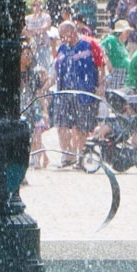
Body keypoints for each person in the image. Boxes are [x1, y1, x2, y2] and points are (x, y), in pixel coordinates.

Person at [52, 20, 102, 166]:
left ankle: (81, 156)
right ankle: (67, 155)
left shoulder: (89, 44)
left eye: (63, 35)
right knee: (62, 125)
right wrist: (46, 86)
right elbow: (56, 70)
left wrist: (101, 85)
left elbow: (100, 66)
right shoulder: (62, 48)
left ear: (71, 32)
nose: (61, 38)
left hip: (84, 92)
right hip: (64, 92)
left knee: (82, 127)